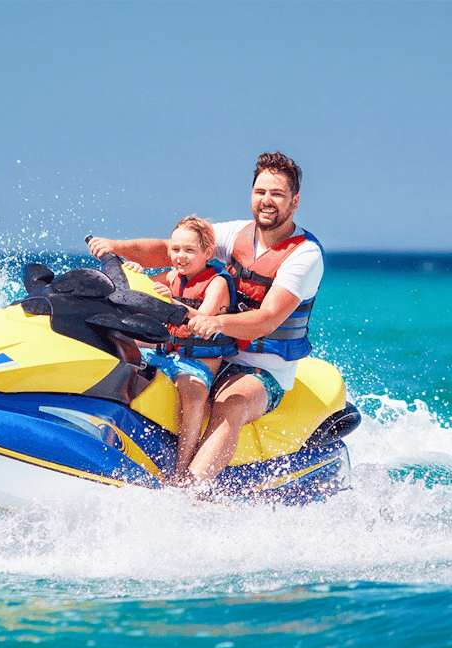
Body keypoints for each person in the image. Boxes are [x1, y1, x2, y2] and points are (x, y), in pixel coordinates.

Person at [88, 152, 323, 489]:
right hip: (205, 352)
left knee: (230, 405)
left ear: (294, 201)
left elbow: (269, 319)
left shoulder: (305, 254)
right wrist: (117, 247)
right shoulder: (233, 234)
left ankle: (189, 492)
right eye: (260, 192)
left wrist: (217, 324)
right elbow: (171, 248)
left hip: (261, 367)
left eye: (277, 194)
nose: (266, 201)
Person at [127, 216, 237, 482]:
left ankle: (182, 468)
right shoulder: (171, 276)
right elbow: (141, 291)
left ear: (207, 252)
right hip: (165, 353)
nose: (181, 256)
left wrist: (172, 303)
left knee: (194, 395)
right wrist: (135, 273)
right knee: (122, 355)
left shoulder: (218, 282)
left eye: (189, 250)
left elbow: (204, 321)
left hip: (196, 362)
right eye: (175, 250)